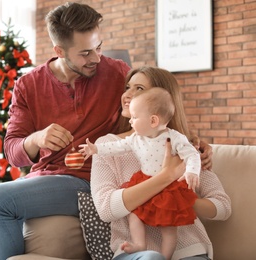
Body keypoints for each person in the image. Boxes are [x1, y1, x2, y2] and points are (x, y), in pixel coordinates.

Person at [0, 3, 212, 259]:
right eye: (85, 53)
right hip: (44, 178)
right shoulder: (28, 85)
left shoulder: (117, 73)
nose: (96, 58)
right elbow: (13, 152)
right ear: (59, 51)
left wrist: (192, 143)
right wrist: (37, 138)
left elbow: (156, 108)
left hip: (88, 179)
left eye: (99, 48)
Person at [90, 66, 231, 260]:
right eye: (128, 87)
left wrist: (178, 200)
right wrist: (166, 177)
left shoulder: (182, 146)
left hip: (189, 250)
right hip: (136, 253)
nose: (127, 95)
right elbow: (106, 209)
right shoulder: (107, 145)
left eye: (139, 89)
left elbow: (223, 207)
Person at [80, 87, 201, 259]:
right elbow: (116, 147)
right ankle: (139, 243)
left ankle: (165, 256)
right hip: (143, 181)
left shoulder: (175, 138)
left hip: (169, 190)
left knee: (169, 227)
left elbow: (191, 155)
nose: (131, 121)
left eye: (135, 117)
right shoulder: (136, 139)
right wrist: (96, 149)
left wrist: (192, 172)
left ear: (153, 120)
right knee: (134, 214)